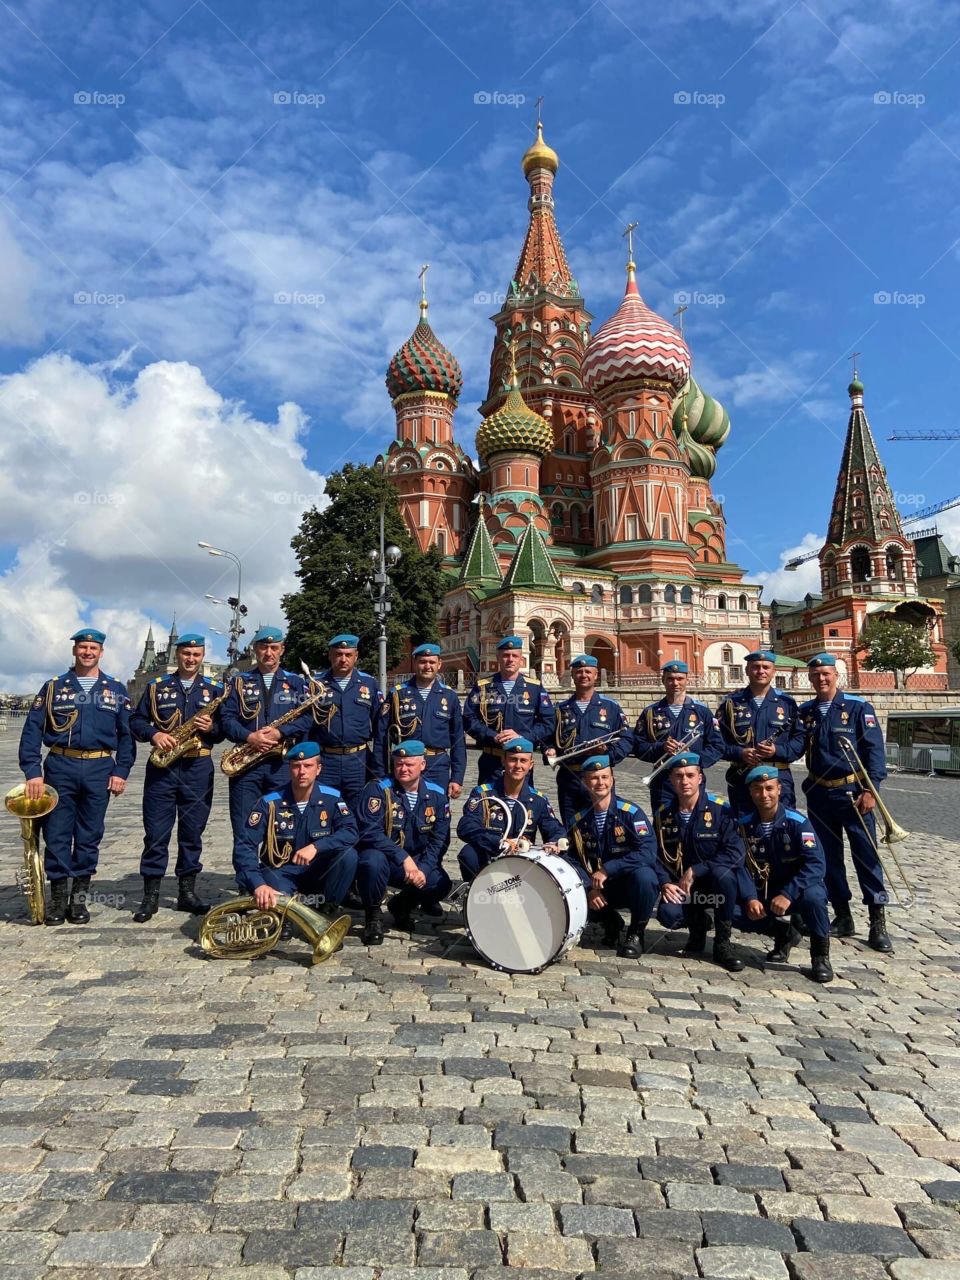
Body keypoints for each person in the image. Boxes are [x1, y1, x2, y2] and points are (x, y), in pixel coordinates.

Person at [18, 628, 136, 925]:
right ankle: (57, 900)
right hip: (60, 767)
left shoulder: (115, 689)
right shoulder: (54, 687)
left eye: (92, 648)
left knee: (89, 834)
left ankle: (79, 900)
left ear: (101, 652)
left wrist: (121, 771)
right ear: (74, 651)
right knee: (56, 833)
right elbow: (32, 730)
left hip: (99, 769)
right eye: (82, 647)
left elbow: (127, 735)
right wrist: (33, 771)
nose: (87, 652)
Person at [798, 653, 892, 952]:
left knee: (866, 856)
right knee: (828, 858)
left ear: (835, 675)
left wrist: (870, 790)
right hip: (820, 794)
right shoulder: (806, 711)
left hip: (854, 793)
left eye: (826, 674)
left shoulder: (857, 707)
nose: (821, 679)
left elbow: (874, 751)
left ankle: (877, 921)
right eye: (816, 675)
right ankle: (843, 915)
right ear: (810, 679)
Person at [129, 633, 225, 921]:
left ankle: (186, 893)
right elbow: (135, 721)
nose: (191, 659)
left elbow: (223, 732)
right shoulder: (157, 687)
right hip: (163, 769)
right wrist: (155, 734)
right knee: (156, 834)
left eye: (196, 654)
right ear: (177, 654)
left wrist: (211, 728)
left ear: (202, 655)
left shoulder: (214, 689)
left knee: (192, 833)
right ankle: (150, 897)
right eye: (186, 653)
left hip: (198, 768)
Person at [232, 742, 358, 914]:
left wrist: (316, 846)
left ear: (318, 768)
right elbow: (245, 846)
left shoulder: (332, 799)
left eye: (308, 766)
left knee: (348, 855)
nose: (302, 772)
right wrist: (258, 884)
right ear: (289, 769)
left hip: (317, 871)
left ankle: (328, 908)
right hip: (282, 872)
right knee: (281, 908)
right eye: (296, 766)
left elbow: (350, 832)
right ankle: (286, 912)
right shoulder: (269, 803)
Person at [737, 764, 833, 983]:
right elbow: (738, 866)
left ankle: (820, 956)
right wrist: (750, 897)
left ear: (779, 789)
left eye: (769, 788)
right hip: (765, 890)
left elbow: (816, 864)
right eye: (758, 789)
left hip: (797, 890)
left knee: (815, 898)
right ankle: (783, 934)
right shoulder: (743, 827)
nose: (764, 794)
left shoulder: (798, 823)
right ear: (751, 792)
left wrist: (788, 894)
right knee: (730, 906)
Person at [220, 625, 315, 844]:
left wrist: (280, 732)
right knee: (244, 828)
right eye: (264, 647)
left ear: (282, 649)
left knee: (284, 826)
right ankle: (247, 877)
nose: (269, 652)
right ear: (255, 649)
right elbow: (226, 719)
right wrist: (249, 737)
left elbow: (307, 719)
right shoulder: (238, 682)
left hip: (282, 765)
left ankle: (278, 876)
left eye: (274, 647)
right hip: (246, 764)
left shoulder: (297, 682)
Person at [654, 752, 746, 972]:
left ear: (700, 778)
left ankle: (723, 943)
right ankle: (698, 927)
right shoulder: (663, 815)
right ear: (671, 780)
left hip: (717, 885)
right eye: (678, 776)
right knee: (668, 915)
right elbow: (655, 855)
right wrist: (665, 883)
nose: (684, 781)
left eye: (689, 775)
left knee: (723, 875)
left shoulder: (721, 810)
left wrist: (697, 869)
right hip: (684, 887)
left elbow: (736, 852)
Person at [565, 755, 662, 959]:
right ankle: (610, 920)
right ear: (584, 782)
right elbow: (572, 859)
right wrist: (589, 887)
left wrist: (609, 869)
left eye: (604, 777)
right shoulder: (579, 820)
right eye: (594, 778)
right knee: (569, 890)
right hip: (599, 886)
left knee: (646, 877)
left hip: (628, 884)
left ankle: (636, 933)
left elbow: (648, 852)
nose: (600, 782)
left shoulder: (631, 814)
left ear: (612, 780)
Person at [356, 740, 451, 944]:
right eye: (399, 764)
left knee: (440, 883)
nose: (403, 769)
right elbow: (369, 832)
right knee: (371, 861)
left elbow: (438, 840)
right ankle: (372, 916)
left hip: (414, 862)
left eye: (409, 764)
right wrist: (403, 858)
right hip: (386, 859)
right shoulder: (377, 790)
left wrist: (423, 868)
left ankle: (402, 906)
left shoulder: (436, 795)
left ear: (422, 765)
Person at [456, 738, 565, 883]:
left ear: (531, 765)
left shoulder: (538, 799)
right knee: (468, 854)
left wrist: (554, 842)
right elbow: (466, 826)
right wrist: (499, 842)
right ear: (503, 761)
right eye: (513, 760)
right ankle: (477, 895)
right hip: (491, 854)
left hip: (522, 860)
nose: (518, 766)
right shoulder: (483, 794)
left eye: (523, 761)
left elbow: (554, 827)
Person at [717, 650, 806, 816]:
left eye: (766, 667)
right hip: (742, 777)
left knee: (782, 828)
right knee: (744, 829)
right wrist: (740, 753)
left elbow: (799, 741)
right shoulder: (731, 703)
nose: (761, 671)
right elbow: (717, 742)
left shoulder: (788, 704)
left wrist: (777, 751)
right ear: (747, 670)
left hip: (778, 778)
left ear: (774, 671)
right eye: (755, 667)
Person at [545, 654, 631, 825]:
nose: (583, 675)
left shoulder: (610, 707)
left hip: (600, 777)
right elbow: (547, 737)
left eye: (587, 672)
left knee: (603, 825)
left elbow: (626, 739)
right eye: (579, 672)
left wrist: (607, 755)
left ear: (596, 675)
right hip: (570, 777)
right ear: (573, 675)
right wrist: (550, 749)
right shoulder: (560, 709)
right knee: (572, 828)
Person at [374, 643, 466, 799]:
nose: (427, 666)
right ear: (415, 663)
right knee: (401, 811)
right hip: (405, 764)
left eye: (431, 662)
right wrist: (380, 773)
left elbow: (458, 739)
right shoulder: (398, 694)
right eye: (423, 662)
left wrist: (457, 777)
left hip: (438, 765)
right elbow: (382, 737)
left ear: (439, 664)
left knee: (436, 813)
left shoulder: (449, 696)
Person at [463, 636, 556, 784]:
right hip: (491, 762)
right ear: (498, 658)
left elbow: (548, 723)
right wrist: (492, 736)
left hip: (521, 762)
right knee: (489, 804)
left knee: (521, 804)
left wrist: (522, 736)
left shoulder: (535, 688)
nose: (510, 659)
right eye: (506, 655)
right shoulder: (483, 687)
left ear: (521, 660)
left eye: (515, 656)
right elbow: (469, 719)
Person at [633, 661, 724, 812]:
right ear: (663, 680)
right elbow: (637, 746)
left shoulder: (702, 712)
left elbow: (717, 746)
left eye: (680, 678)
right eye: (670, 678)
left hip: (692, 779)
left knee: (695, 822)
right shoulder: (650, 713)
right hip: (663, 780)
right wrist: (661, 747)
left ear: (687, 680)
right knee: (664, 826)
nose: (675, 683)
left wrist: (695, 759)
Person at [305, 634, 383, 809]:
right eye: (338, 654)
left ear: (356, 656)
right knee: (323, 811)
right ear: (330, 655)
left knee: (358, 813)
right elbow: (305, 726)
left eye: (348, 655)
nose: (343, 659)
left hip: (359, 761)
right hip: (325, 761)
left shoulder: (369, 684)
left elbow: (380, 728)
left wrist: (379, 766)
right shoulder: (315, 685)